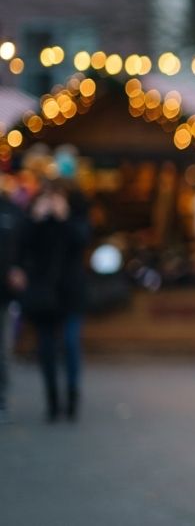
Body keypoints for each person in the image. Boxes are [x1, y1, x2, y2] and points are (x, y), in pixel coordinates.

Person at [20, 178, 90, 422]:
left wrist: (64, 218)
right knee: (46, 347)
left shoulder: (75, 216)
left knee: (71, 343)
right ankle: (52, 400)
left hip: (70, 292)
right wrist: (35, 220)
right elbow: (22, 246)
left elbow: (82, 240)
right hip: (44, 294)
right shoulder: (35, 218)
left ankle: (71, 396)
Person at [0, 177, 26, 424]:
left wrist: (18, 268)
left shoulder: (13, 213)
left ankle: (2, 395)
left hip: (4, 293)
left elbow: (25, 248)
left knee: (3, 347)